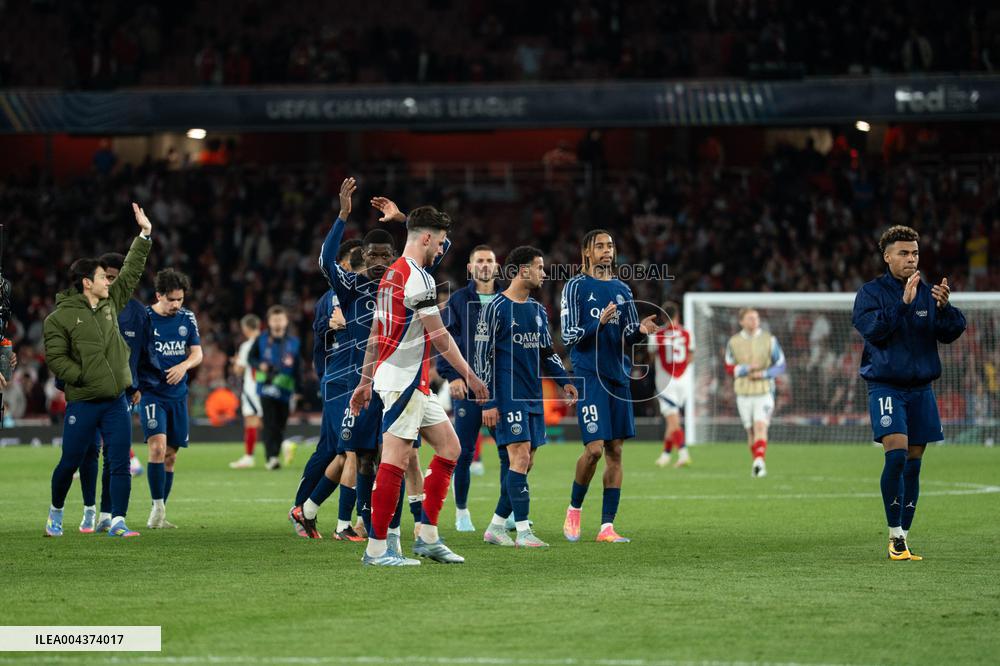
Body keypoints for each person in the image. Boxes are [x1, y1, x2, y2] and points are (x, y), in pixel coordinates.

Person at [350, 205, 489, 566]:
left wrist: (365, 382)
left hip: (406, 382)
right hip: (403, 382)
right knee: (395, 460)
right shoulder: (418, 278)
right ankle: (377, 549)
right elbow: (440, 336)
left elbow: (376, 335)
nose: (443, 248)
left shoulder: (392, 276)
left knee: (451, 448)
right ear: (426, 239)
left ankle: (427, 536)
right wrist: (470, 375)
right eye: (440, 242)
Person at [852, 225, 965, 561]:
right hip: (886, 386)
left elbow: (951, 332)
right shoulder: (870, 294)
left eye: (915, 253)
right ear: (887, 257)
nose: (911, 259)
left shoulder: (929, 294)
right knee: (897, 454)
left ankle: (903, 536)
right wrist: (902, 305)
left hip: (921, 389)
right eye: (903, 253)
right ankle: (894, 535)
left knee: (914, 464)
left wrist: (945, 309)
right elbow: (873, 330)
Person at [43, 203, 152, 538]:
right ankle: (56, 512)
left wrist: (144, 235)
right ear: (87, 283)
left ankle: (117, 519)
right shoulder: (58, 318)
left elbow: (132, 270)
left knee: (119, 462)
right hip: (83, 401)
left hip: (115, 401)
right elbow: (56, 359)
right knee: (70, 462)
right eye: (105, 277)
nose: (111, 280)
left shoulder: (110, 303)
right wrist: (82, 377)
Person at [474, 246, 577, 548]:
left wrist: (564, 381)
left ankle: (495, 527)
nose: (545, 273)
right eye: (540, 267)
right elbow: (481, 358)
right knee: (518, 457)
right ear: (522, 270)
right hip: (507, 398)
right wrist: (489, 401)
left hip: (533, 396)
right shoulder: (494, 308)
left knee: (527, 461)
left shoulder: (537, 310)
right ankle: (523, 531)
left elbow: (546, 352)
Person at [560, 229, 657, 544]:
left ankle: (606, 527)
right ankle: (574, 510)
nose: (606, 250)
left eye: (610, 245)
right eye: (599, 245)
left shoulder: (623, 289)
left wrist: (640, 330)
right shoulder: (575, 286)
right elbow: (569, 334)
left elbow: (628, 333)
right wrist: (598, 323)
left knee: (615, 450)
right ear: (586, 251)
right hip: (590, 375)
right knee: (594, 449)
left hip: (618, 376)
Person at [437, 243, 499, 532]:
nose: (485, 265)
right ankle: (462, 512)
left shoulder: (507, 300)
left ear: (497, 267)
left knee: (514, 453)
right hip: (469, 390)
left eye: (489, 261)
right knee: (462, 452)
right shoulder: (459, 300)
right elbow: (445, 340)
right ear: (471, 268)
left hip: (501, 389)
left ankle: (508, 513)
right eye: (480, 261)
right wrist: (452, 376)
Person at [136, 269, 202, 529]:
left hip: (178, 396)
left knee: (171, 456)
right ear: (158, 295)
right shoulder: (144, 317)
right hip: (152, 393)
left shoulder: (187, 317)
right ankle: (158, 507)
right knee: (157, 449)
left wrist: (183, 366)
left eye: (180, 299)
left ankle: (160, 512)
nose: (176, 305)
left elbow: (197, 353)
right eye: (171, 299)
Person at [724, 308, 786, 478]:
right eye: (750, 318)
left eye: (756, 318)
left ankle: (758, 461)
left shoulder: (769, 340)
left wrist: (765, 374)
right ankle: (758, 464)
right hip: (743, 392)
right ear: (741, 321)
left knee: (760, 426)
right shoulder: (734, 342)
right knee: (750, 431)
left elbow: (781, 364)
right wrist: (743, 369)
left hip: (763, 391)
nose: (754, 321)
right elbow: (728, 366)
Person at [249, 305, 301, 471]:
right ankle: (271, 457)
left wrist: (299, 391)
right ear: (269, 322)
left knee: (281, 424)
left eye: (280, 319)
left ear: (286, 321)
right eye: (274, 319)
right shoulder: (261, 339)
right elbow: (251, 358)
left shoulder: (294, 342)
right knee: (269, 422)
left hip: (285, 388)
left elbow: (298, 367)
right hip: (266, 387)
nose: (277, 322)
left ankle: (275, 453)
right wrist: (260, 364)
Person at [650, 301, 694, 468]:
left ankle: (683, 453)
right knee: (672, 419)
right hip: (684, 382)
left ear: (663, 316)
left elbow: (652, 356)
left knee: (673, 420)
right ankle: (666, 455)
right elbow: (690, 356)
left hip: (666, 383)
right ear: (678, 315)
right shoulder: (688, 333)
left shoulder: (657, 335)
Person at [229, 314, 263, 468]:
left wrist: (236, 361)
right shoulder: (267, 342)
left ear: (246, 328)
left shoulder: (247, 346)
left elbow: (239, 370)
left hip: (252, 388)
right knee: (265, 421)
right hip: (267, 387)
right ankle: (278, 448)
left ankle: (249, 457)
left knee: (251, 420)